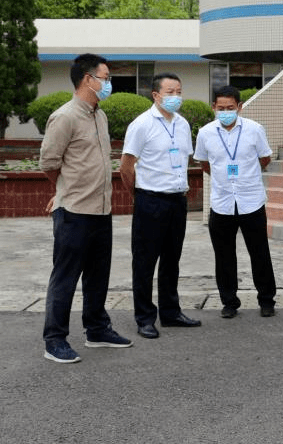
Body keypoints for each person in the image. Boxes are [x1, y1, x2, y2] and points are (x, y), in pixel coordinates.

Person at [38, 53, 133, 363]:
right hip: (74, 212)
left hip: (101, 211)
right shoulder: (64, 116)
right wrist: (63, 189)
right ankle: (55, 340)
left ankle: (96, 329)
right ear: (88, 79)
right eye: (105, 77)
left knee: (97, 275)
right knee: (65, 276)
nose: (108, 83)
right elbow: (49, 163)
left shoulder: (99, 115)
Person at [121, 72, 202, 339]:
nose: (176, 97)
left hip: (177, 200)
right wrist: (139, 195)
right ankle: (145, 318)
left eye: (179, 91)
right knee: (145, 261)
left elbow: (182, 160)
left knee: (172, 260)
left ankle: (170, 312)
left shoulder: (181, 123)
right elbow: (126, 166)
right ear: (155, 95)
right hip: (150, 200)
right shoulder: (141, 124)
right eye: (170, 92)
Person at [194, 86, 278, 319]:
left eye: (230, 108)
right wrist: (225, 179)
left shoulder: (254, 130)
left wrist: (246, 176)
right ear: (214, 107)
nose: (226, 112)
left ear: (240, 107)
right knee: (224, 256)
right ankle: (229, 301)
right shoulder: (205, 133)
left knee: (259, 252)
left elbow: (265, 158)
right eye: (221, 108)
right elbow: (204, 163)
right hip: (221, 203)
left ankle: (266, 300)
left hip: (251, 201)